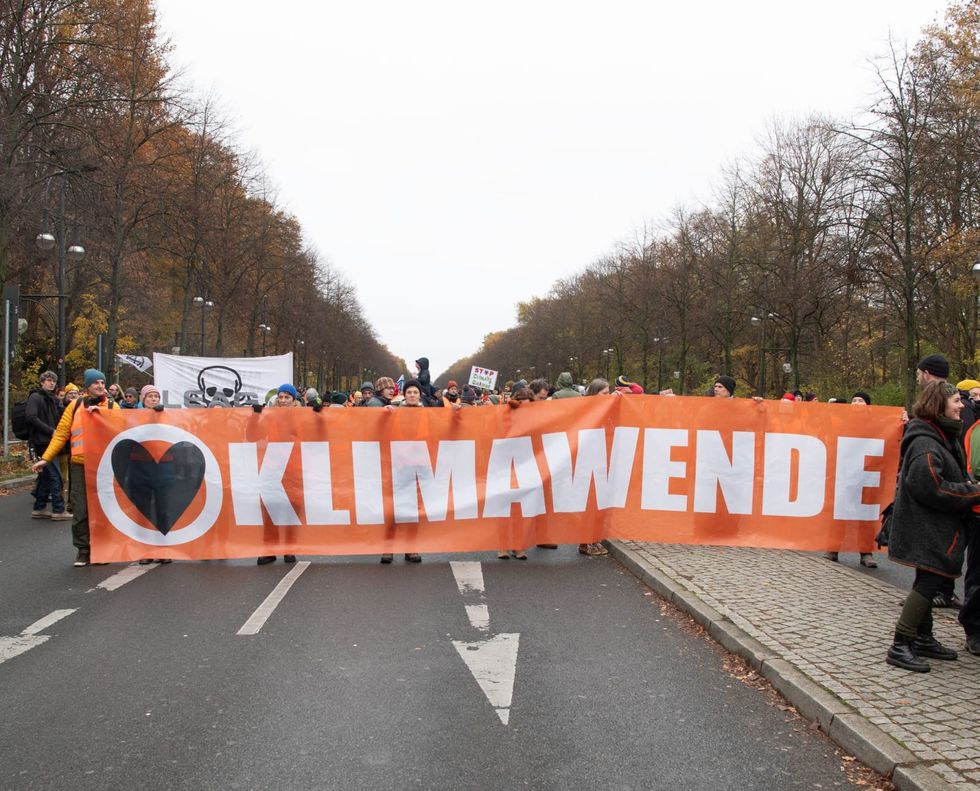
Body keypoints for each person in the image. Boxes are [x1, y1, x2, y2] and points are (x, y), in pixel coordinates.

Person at [885, 381, 980, 672]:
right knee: (928, 582)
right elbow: (930, 487)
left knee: (929, 579)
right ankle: (901, 643)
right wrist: (973, 492)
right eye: (955, 401)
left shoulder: (941, 436)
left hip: (934, 526)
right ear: (939, 405)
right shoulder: (926, 442)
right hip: (925, 527)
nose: (961, 405)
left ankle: (922, 637)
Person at [31, 369, 120, 567]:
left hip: (104, 466)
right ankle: (83, 549)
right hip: (80, 464)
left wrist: (104, 415)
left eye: (102, 382)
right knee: (81, 508)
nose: (99, 386)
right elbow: (61, 434)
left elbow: (124, 428)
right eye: (95, 382)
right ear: (87, 386)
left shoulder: (113, 406)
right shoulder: (75, 405)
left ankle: (101, 548)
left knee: (103, 509)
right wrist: (45, 459)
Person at [824, 392, 878, 568]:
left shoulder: (877, 424)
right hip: (845, 474)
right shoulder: (842, 422)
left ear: (868, 405)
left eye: (860, 400)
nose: (855, 403)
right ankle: (833, 548)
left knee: (865, 517)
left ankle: (866, 553)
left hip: (867, 475)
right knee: (840, 512)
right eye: (853, 400)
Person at [255, 384, 301, 565]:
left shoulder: (302, 416)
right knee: (269, 508)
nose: (282, 401)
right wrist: (256, 417)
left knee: (292, 509)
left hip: (294, 467)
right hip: (272, 467)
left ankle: (289, 549)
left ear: (293, 400)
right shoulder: (269, 416)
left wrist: (318, 415)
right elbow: (253, 435)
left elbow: (316, 433)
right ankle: (270, 549)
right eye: (280, 397)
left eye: (287, 397)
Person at [25, 370, 69, 520]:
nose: (51, 383)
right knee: (55, 475)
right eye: (48, 380)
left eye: (53, 381)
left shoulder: (50, 399)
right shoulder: (36, 397)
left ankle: (39, 507)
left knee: (45, 475)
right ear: (42, 382)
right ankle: (58, 510)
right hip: (42, 441)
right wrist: (51, 431)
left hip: (49, 440)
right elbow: (31, 417)